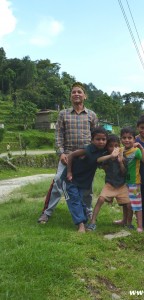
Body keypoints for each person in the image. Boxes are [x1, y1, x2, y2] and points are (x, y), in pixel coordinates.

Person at [38, 82, 98, 224]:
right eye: (73, 92)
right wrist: (61, 153)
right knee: (58, 181)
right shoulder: (63, 114)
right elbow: (58, 134)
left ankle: (87, 211)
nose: (76, 94)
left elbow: (96, 136)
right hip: (67, 156)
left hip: (86, 157)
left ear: (85, 96)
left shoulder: (92, 115)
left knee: (86, 186)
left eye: (79, 92)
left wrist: (93, 154)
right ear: (70, 96)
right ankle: (47, 213)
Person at [61, 127, 120, 232]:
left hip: (83, 181)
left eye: (103, 139)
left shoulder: (103, 152)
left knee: (80, 200)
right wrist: (69, 172)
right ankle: (80, 225)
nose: (101, 142)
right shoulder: (87, 149)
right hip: (70, 179)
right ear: (92, 140)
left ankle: (84, 220)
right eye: (98, 139)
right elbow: (71, 155)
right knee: (74, 200)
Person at [86, 134, 131, 231]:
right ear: (107, 147)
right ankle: (93, 222)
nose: (114, 148)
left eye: (116, 146)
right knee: (101, 199)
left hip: (122, 185)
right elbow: (98, 161)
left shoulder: (123, 156)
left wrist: (120, 162)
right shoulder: (106, 156)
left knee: (128, 204)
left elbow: (124, 172)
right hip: (110, 184)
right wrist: (110, 156)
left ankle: (127, 222)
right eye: (111, 146)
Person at [119, 127, 144, 232]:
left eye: (129, 138)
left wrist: (141, 147)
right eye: (124, 138)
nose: (127, 140)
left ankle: (139, 226)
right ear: (121, 139)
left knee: (136, 205)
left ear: (134, 139)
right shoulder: (120, 151)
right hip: (123, 182)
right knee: (126, 203)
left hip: (134, 183)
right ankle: (127, 222)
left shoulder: (136, 151)